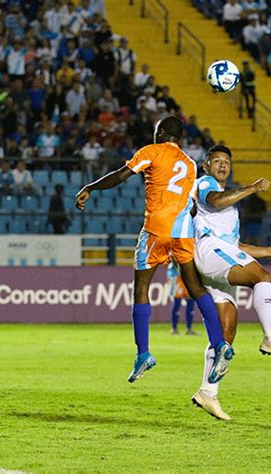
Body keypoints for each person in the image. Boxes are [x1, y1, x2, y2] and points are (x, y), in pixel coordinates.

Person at [75, 116, 234, 384]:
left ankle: (143, 354)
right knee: (195, 288)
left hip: (156, 229)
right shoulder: (190, 163)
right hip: (183, 232)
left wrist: (90, 187)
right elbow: (192, 205)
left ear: (161, 133)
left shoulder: (151, 151)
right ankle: (220, 344)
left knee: (141, 289)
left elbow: (121, 175)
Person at [191, 145, 271, 420]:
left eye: (226, 161)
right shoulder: (205, 184)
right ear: (206, 166)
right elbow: (215, 200)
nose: (222, 165)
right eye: (216, 161)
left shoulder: (232, 211)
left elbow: (237, 245)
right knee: (263, 277)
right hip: (209, 251)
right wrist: (252, 188)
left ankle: (208, 393)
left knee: (226, 334)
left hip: (221, 256)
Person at [167, 261, 196, 335]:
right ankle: (174, 329)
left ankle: (189, 329)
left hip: (187, 276)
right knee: (177, 302)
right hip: (176, 276)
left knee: (190, 302)